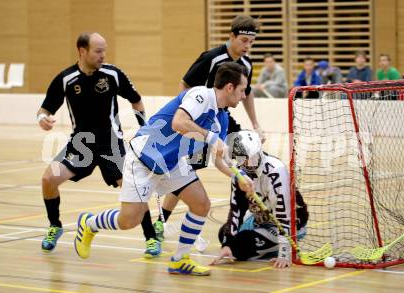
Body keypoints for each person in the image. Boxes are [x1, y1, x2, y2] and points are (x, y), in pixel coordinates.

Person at [73, 62, 254, 276]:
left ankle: (180, 259)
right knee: (129, 220)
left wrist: (239, 176)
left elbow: (218, 159)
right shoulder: (201, 95)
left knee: (201, 204)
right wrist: (211, 137)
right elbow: (179, 122)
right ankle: (89, 223)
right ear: (230, 87)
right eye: (242, 90)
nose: (244, 96)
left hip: (173, 162)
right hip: (145, 157)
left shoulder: (221, 119)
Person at [36, 32, 163, 257]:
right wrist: (42, 119)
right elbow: (45, 109)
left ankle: (151, 238)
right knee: (48, 179)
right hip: (81, 145)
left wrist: (145, 131)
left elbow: (136, 100)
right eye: (98, 51)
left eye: (104, 50)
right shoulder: (66, 79)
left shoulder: (112, 74)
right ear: (82, 51)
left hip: (111, 144)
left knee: (135, 190)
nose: (103, 55)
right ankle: (55, 226)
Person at [153, 14, 265, 240]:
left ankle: (250, 212)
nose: (247, 46)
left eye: (251, 42)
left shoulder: (246, 64)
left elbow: (246, 94)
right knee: (188, 170)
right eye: (244, 41)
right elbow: (185, 84)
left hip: (223, 118)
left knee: (249, 155)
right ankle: (161, 221)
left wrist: (256, 124)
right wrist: (187, 118)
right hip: (201, 119)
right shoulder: (212, 58)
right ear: (232, 37)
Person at [210, 130, 308, 268]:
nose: (249, 163)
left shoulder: (276, 171)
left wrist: (285, 253)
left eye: (252, 157)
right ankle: (261, 244)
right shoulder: (239, 175)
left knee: (240, 247)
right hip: (261, 220)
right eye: (243, 159)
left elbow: (283, 214)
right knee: (224, 235)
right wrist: (226, 244)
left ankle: (271, 244)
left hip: (289, 224)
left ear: (260, 151)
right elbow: (236, 211)